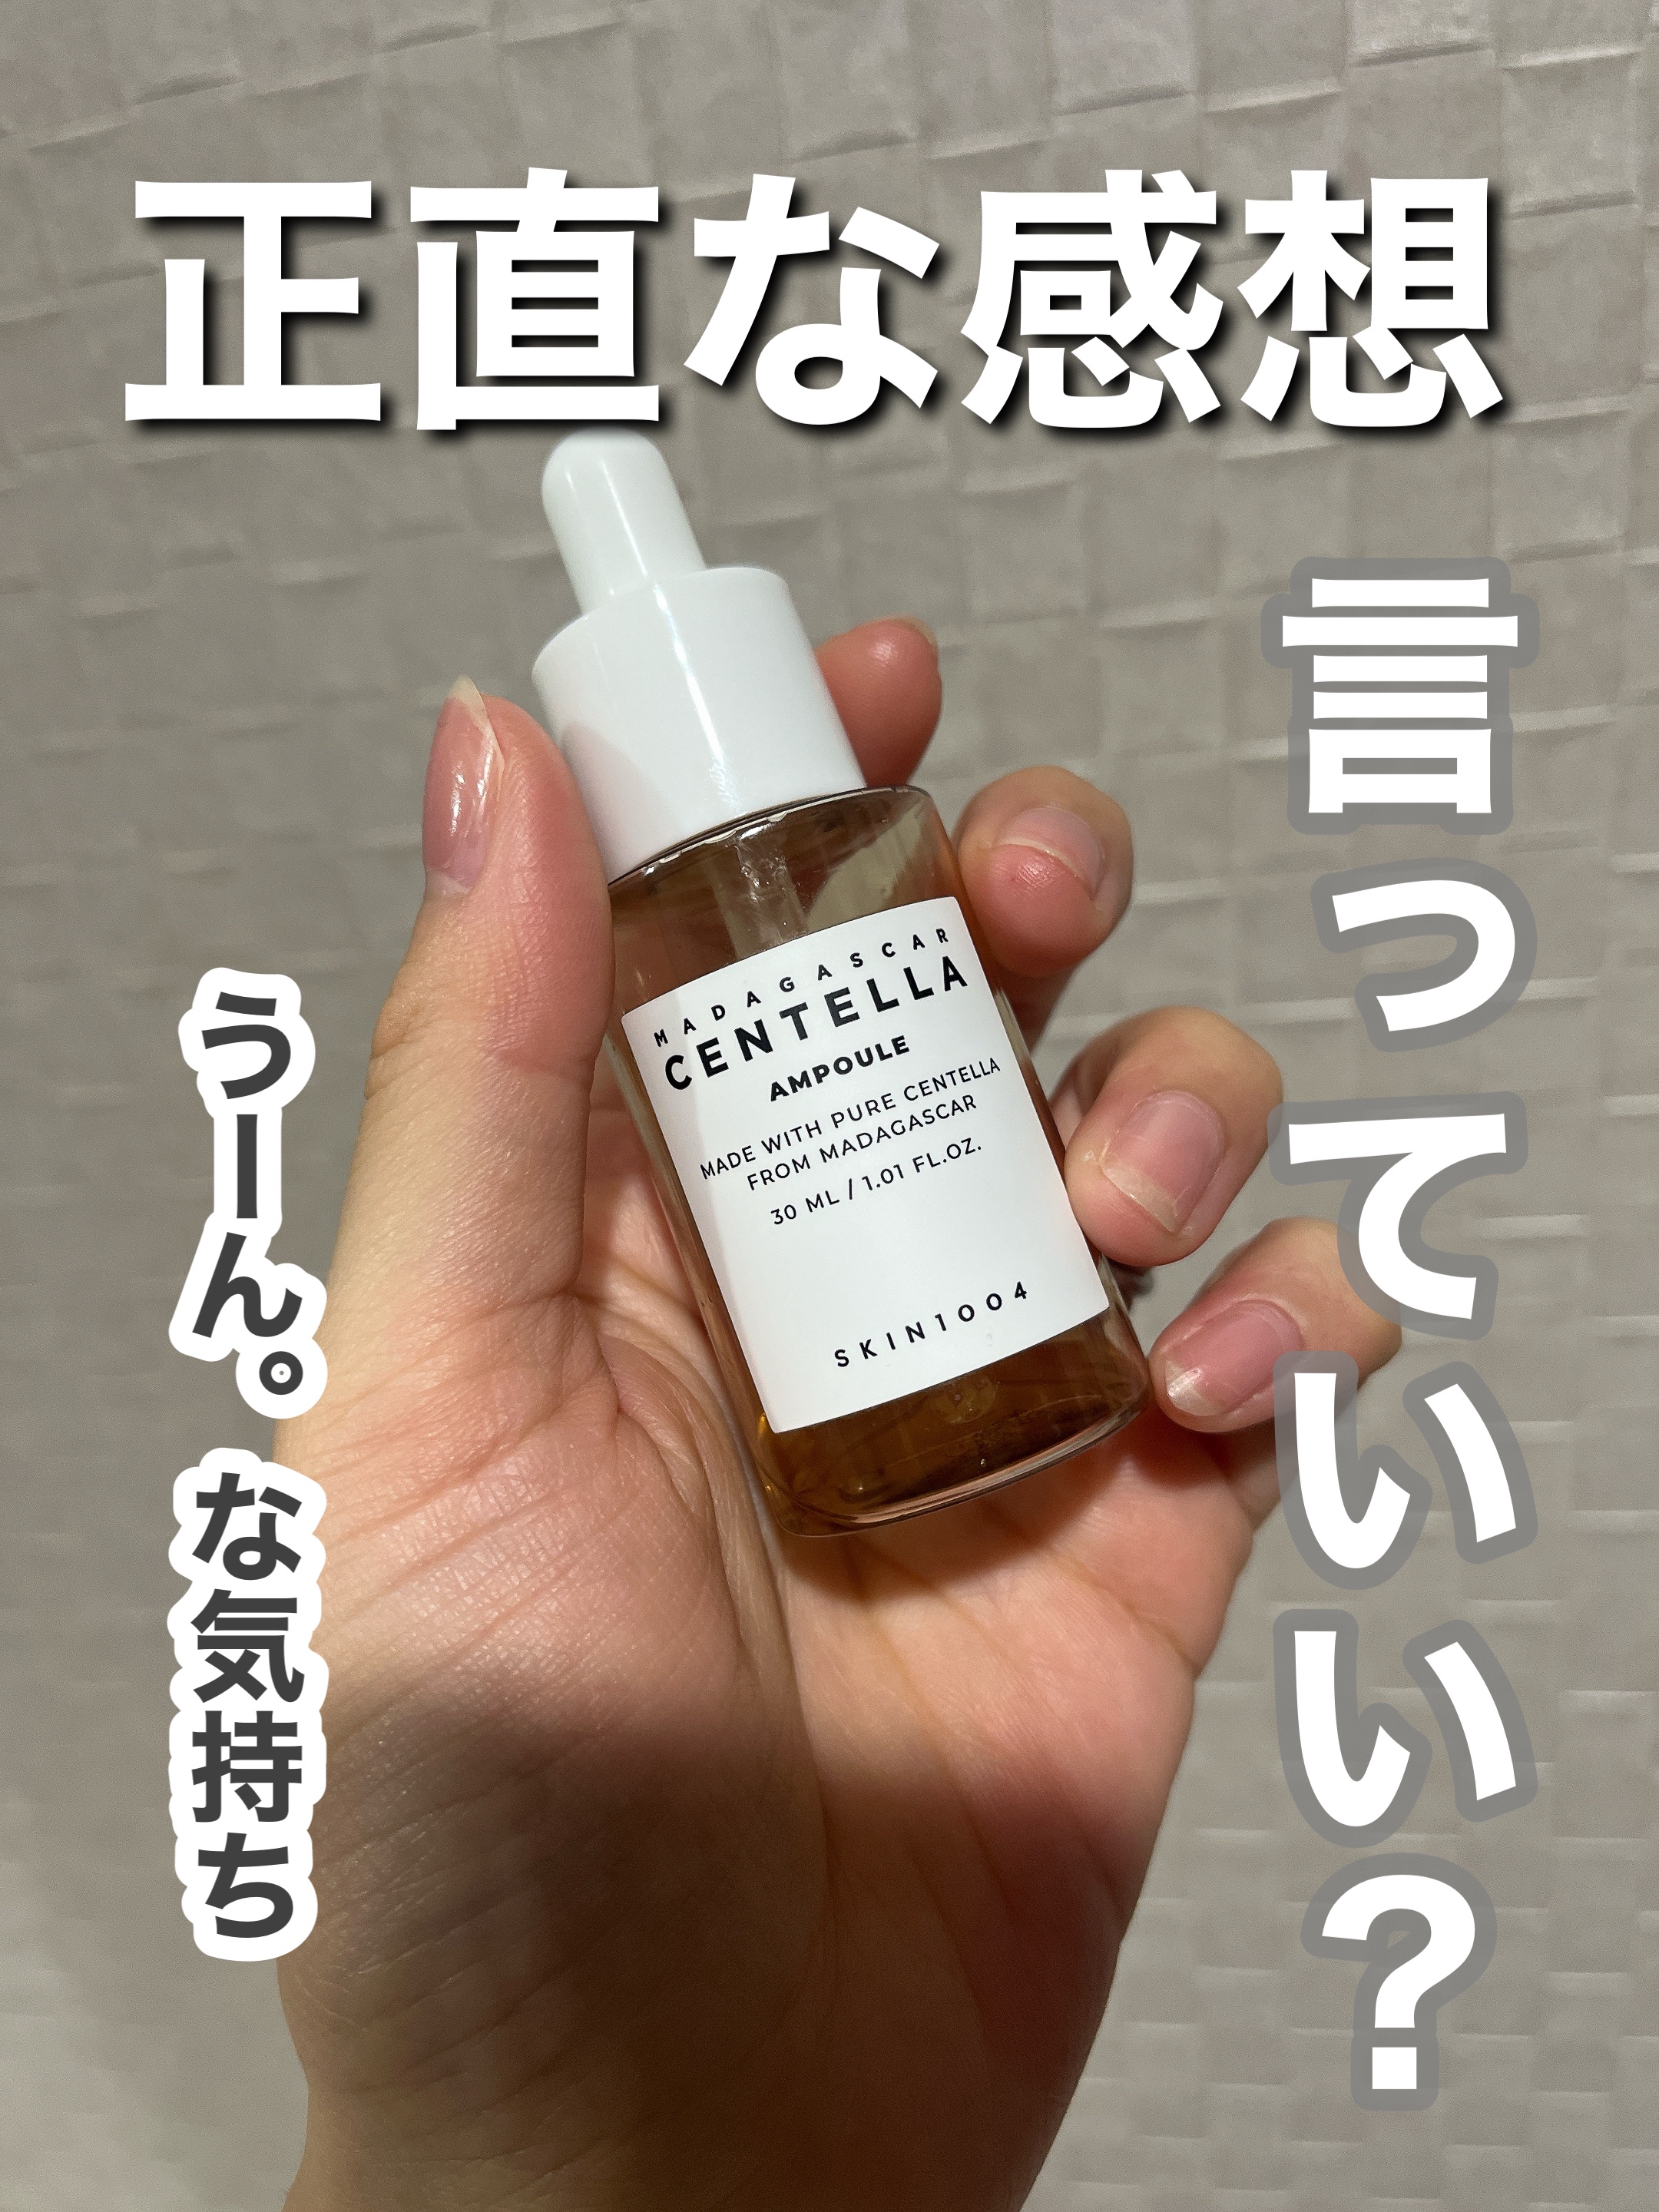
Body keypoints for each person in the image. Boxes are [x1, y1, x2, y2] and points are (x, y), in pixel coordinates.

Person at [276, 620, 1397, 2210]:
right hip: (815, 1513)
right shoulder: (641, 924)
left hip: (1031, 1460)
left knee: (1040, 929)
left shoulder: (876, 845)